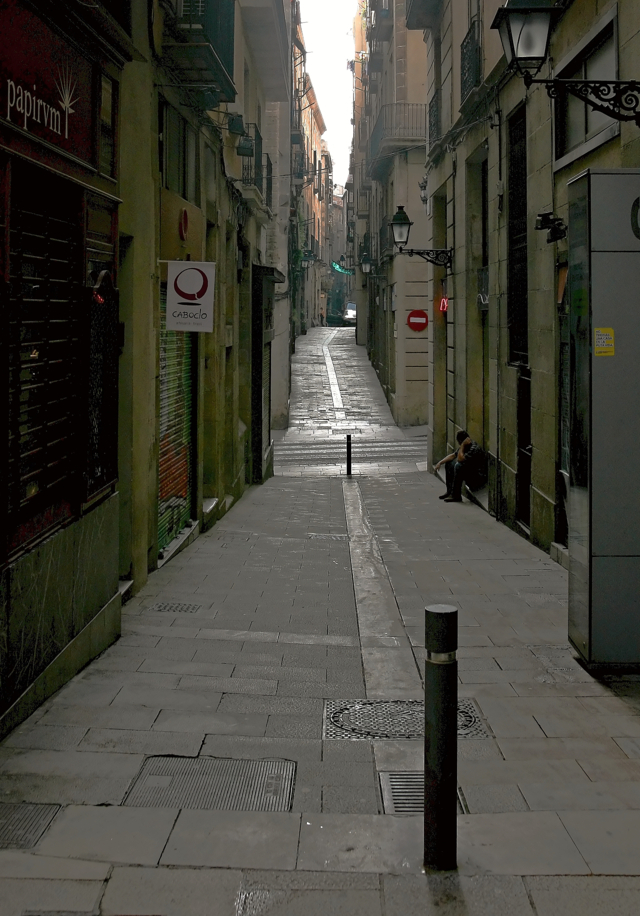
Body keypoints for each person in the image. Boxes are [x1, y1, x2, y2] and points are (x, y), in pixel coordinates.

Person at [434, 430, 482, 503]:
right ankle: (450, 492)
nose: (459, 444)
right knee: (449, 463)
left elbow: (460, 459)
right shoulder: (466, 446)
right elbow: (453, 455)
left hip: (476, 477)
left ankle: (456, 495)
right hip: (469, 471)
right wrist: (440, 463)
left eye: (459, 442)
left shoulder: (473, 448)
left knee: (458, 466)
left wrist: (462, 446)